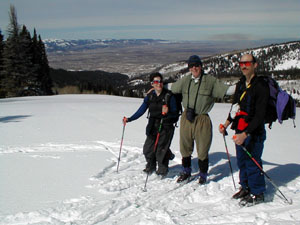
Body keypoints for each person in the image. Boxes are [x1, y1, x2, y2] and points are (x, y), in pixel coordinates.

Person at [171, 55, 230, 184]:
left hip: (202, 118)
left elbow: (226, 91)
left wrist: (244, 88)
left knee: (203, 148)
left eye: (196, 65)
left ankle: (203, 174)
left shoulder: (210, 81)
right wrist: (158, 86)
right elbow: (173, 88)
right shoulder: (185, 80)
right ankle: (186, 171)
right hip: (187, 117)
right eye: (191, 66)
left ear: (201, 66)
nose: (194, 68)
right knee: (185, 146)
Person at [219, 53, 269, 206]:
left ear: (255, 64)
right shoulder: (241, 84)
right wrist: (226, 124)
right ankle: (246, 187)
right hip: (239, 130)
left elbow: (260, 115)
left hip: (253, 132)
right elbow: (235, 107)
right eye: (241, 63)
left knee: (252, 161)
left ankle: (258, 192)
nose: (244, 66)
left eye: (247, 63)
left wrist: (246, 134)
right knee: (242, 161)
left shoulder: (261, 85)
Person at [123, 72, 177, 176]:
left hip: (166, 126)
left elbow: (175, 113)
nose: (159, 84)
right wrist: (130, 119)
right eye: (156, 82)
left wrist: (168, 112)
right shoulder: (150, 97)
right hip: (152, 126)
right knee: (147, 149)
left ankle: (162, 169)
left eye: (160, 81)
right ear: (152, 83)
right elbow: (141, 110)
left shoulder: (169, 96)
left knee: (160, 150)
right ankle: (151, 165)